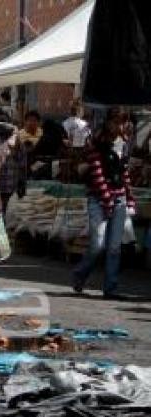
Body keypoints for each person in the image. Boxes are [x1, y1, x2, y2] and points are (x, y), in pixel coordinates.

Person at [71, 108, 136, 299]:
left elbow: (124, 173)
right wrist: (107, 199)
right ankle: (79, 274)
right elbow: (97, 174)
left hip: (119, 199)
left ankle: (110, 288)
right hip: (98, 199)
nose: (120, 126)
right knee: (97, 243)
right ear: (108, 122)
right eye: (116, 121)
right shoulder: (95, 143)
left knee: (114, 247)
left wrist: (129, 196)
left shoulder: (124, 144)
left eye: (123, 122)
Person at [0, 107, 27, 219]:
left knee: (0, 212)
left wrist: (22, 182)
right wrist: (22, 182)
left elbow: (21, 159)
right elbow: (22, 160)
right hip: (0, 183)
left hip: (0, 183)